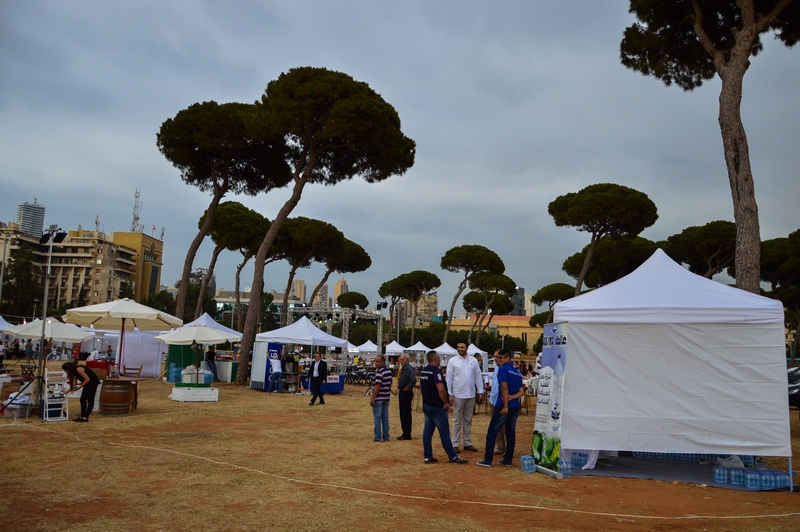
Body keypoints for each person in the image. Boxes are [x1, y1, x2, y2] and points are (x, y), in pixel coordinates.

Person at [477, 349, 525, 468]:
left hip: (503, 406)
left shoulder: (503, 369)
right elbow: (521, 391)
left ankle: (488, 459)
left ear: (508, 358)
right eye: (498, 358)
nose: (499, 360)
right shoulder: (516, 372)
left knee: (492, 431)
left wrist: (505, 405)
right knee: (510, 432)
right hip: (515, 406)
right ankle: (507, 459)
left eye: (501, 358)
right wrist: (512, 398)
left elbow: (504, 387)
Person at [420, 351, 468, 465]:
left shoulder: (423, 371)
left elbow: (422, 388)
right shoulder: (436, 372)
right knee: (444, 433)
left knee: (427, 432)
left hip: (427, 405)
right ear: (436, 359)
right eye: (439, 358)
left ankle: (428, 456)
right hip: (437, 406)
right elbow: (441, 389)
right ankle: (452, 456)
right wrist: (446, 403)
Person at [445, 341, 485, 453]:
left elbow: (478, 376)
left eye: (462, 347)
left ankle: (467, 443)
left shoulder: (473, 361)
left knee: (468, 420)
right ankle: (455, 444)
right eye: (458, 347)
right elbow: (449, 379)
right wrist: (450, 394)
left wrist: (480, 391)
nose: (460, 349)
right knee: (457, 420)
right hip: (458, 394)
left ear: (467, 348)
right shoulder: (452, 361)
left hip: (471, 394)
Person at [370, 355, 392, 442]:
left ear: (383, 362)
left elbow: (377, 386)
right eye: (376, 361)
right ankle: (386, 437)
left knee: (377, 417)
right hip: (386, 397)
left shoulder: (379, 373)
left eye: (378, 361)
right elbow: (390, 384)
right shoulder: (389, 372)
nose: (376, 363)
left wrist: (372, 398)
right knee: (385, 417)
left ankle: (378, 437)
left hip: (379, 398)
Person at [488, 350, 506, 456]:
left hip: (502, 401)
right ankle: (500, 447)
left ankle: (507, 448)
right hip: (493, 400)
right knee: (496, 426)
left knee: (505, 426)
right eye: (494, 356)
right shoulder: (496, 368)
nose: (496, 358)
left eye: (498, 356)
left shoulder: (505, 369)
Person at [396, 353, 416, 440]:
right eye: (401, 359)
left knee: (405, 413)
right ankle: (405, 432)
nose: (401, 361)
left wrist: (407, 387)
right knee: (403, 412)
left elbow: (414, 379)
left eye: (403, 359)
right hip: (402, 391)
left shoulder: (409, 368)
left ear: (407, 360)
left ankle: (407, 433)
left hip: (406, 392)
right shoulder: (403, 368)